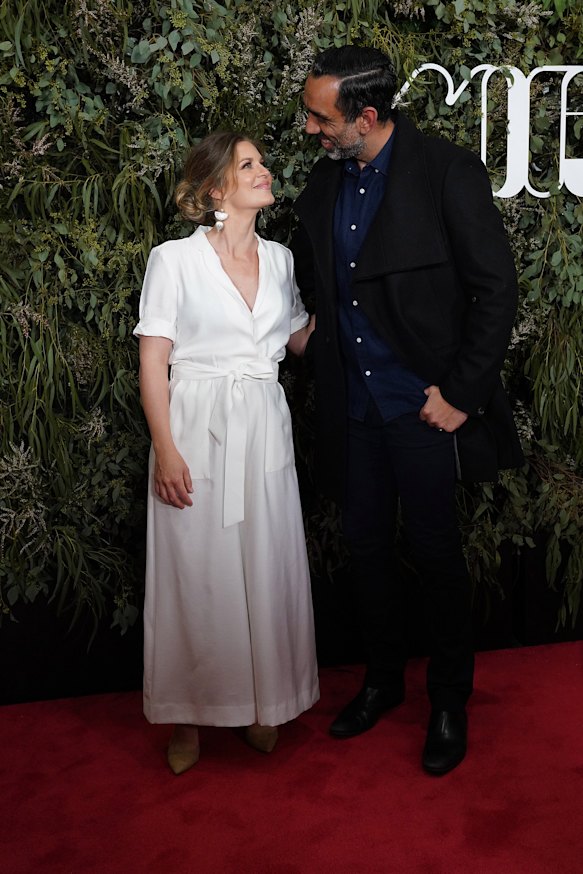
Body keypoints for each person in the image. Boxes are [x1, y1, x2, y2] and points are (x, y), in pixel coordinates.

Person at [291, 46, 523, 775]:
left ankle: (448, 701)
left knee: (435, 554)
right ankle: (383, 681)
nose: (308, 129)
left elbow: (496, 290)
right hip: (352, 408)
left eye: (320, 118)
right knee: (363, 549)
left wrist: (460, 394)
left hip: (421, 409)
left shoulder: (446, 171)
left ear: (365, 116)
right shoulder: (322, 185)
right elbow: (320, 285)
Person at [134, 131, 319, 775]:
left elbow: (299, 340)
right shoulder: (174, 260)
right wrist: (165, 448)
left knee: (266, 568)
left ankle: (265, 704)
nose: (264, 170)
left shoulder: (282, 260)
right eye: (248, 165)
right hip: (194, 428)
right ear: (217, 188)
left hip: (264, 427)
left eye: (260, 162)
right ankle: (187, 715)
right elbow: (153, 360)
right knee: (195, 574)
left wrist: (369, 302)